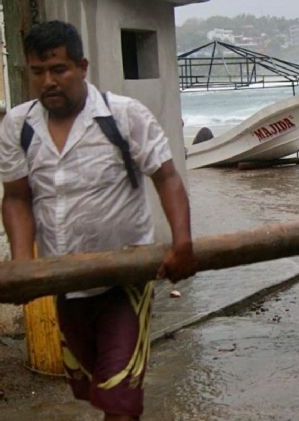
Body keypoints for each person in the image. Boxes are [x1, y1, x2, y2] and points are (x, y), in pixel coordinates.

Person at [0, 21, 197, 420]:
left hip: (126, 278)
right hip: (66, 282)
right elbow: (17, 198)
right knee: (93, 388)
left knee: (121, 398)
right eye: (38, 72)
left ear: (82, 66)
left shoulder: (123, 116)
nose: (48, 81)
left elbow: (167, 177)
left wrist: (182, 244)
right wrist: (22, 264)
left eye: (59, 69)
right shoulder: (18, 127)